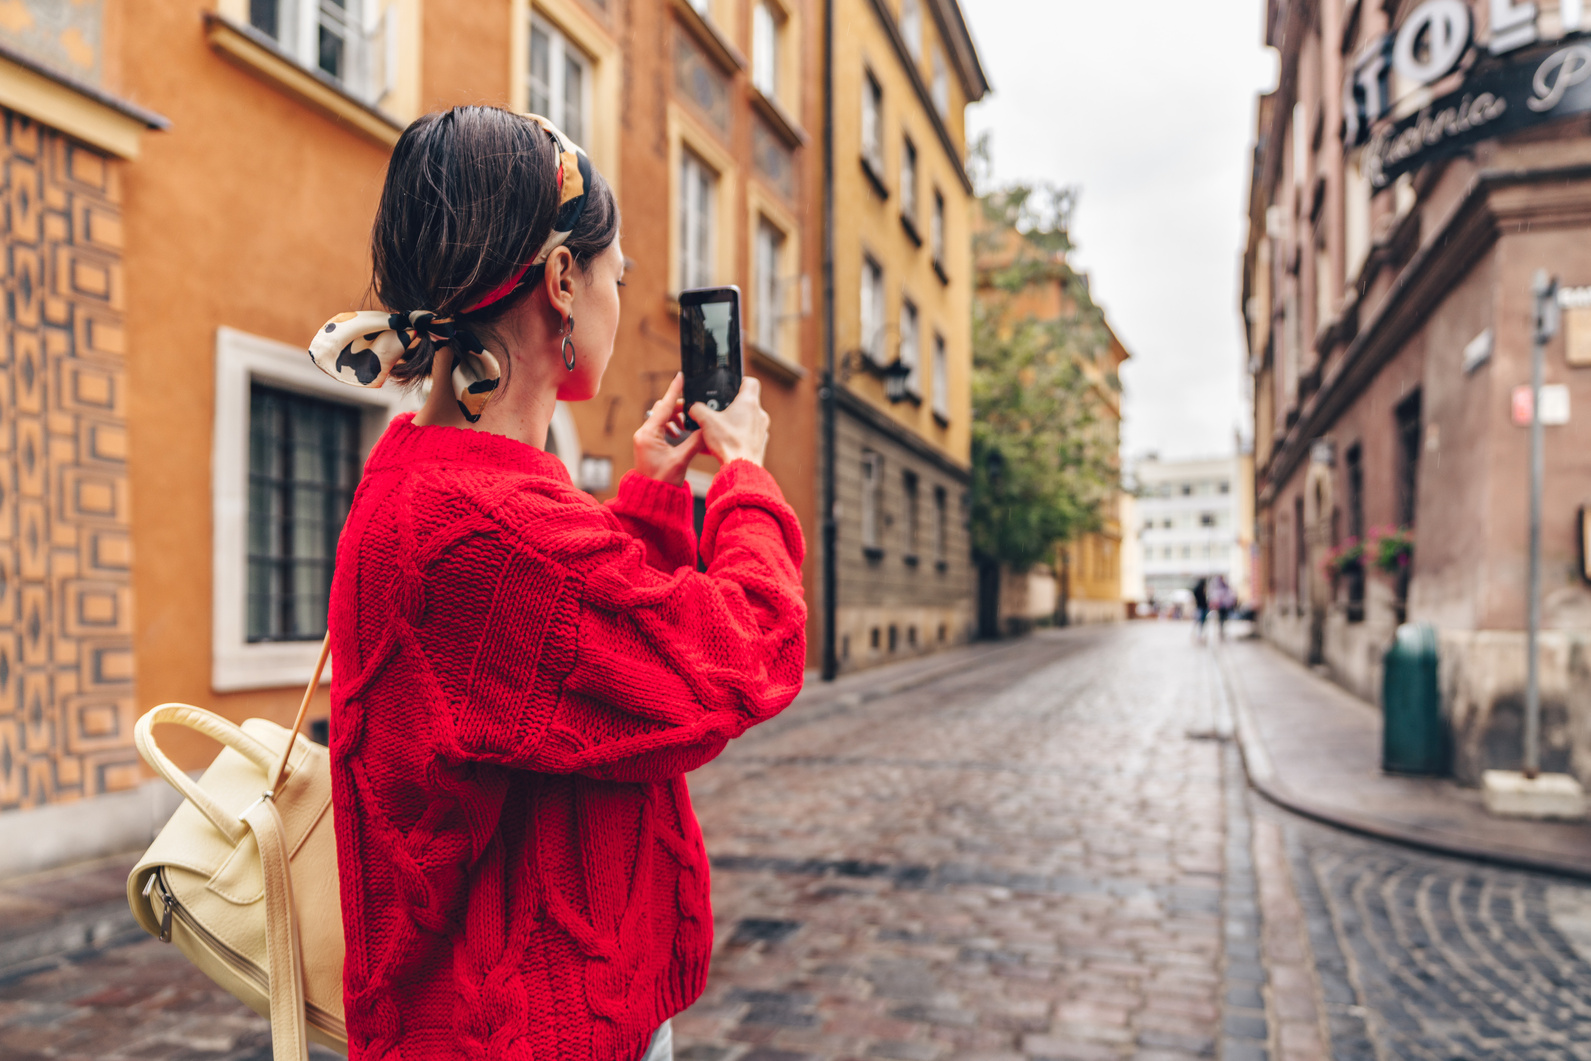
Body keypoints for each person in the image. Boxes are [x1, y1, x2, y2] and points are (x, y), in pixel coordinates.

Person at [307, 107, 807, 1061]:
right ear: (563, 281)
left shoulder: (431, 478)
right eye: (617, 275)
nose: (622, 297)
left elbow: (556, 670)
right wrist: (742, 476)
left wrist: (655, 500)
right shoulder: (488, 526)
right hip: (528, 1032)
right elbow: (742, 655)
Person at [1191, 577, 1209, 643]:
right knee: (1200, 621)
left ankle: (1198, 633)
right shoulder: (1201, 589)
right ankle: (1199, 633)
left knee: (1199, 620)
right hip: (1202, 607)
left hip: (1200, 607)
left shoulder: (1198, 589)